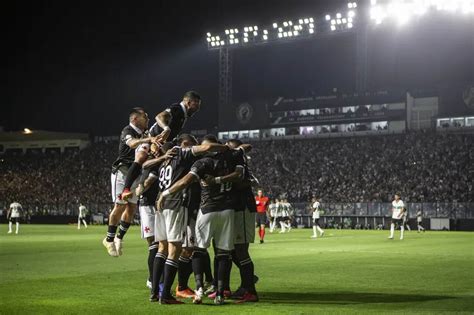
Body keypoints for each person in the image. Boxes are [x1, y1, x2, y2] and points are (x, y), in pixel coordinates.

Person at [156, 135, 244, 305]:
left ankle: (199, 290)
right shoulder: (233, 156)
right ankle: (219, 294)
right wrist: (228, 149)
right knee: (223, 253)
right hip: (227, 210)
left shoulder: (202, 163)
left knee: (198, 250)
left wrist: (165, 193)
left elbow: (185, 181)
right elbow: (241, 168)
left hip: (207, 209)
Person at [121, 91, 202, 202]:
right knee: (141, 158)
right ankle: (127, 188)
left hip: (162, 144)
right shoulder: (178, 108)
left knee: (165, 162)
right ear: (188, 102)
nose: (198, 107)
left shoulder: (183, 116)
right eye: (196, 104)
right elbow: (159, 117)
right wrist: (166, 128)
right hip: (152, 138)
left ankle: (151, 189)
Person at [103, 107, 152, 257]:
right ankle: (109, 239)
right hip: (122, 171)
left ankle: (119, 238)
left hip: (136, 172)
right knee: (120, 205)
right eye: (145, 117)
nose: (147, 119)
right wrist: (148, 139)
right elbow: (131, 144)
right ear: (135, 119)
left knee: (131, 207)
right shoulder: (127, 130)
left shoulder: (144, 133)